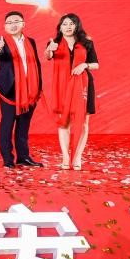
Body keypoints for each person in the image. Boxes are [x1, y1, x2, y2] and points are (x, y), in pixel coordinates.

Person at [44, 13, 99, 171]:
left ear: (77, 26)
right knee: (64, 122)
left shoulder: (86, 42)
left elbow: (96, 64)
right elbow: (48, 56)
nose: (68, 27)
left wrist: (84, 65)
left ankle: (77, 157)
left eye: (71, 24)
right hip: (62, 86)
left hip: (83, 86)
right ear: (60, 27)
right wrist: (49, 50)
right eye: (64, 24)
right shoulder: (54, 43)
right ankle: (65, 157)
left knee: (83, 123)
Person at [0, 11, 43, 168]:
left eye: (16, 21)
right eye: (9, 22)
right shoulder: (0, 40)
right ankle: (8, 159)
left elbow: (36, 64)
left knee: (24, 125)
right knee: (7, 124)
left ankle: (23, 157)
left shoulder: (30, 41)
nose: (13, 25)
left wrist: (39, 86)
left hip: (30, 89)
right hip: (10, 89)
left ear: (23, 24)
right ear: (5, 26)